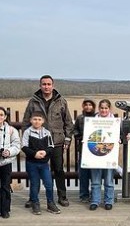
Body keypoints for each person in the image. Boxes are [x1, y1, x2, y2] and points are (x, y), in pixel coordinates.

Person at [23, 75, 74, 207]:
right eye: (44, 84)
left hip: (56, 141)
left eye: (49, 84)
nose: (46, 86)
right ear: (40, 85)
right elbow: (25, 123)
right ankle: (33, 198)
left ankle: (62, 196)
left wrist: (67, 140)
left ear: (53, 85)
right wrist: (28, 140)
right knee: (35, 171)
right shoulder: (33, 102)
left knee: (58, 170)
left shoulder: (61, 101)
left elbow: (68, 122)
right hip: (38, 144)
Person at [22, 111, 61, 214]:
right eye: (34, 119)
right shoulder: (27, 132)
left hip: (44, 164)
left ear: (43, 121)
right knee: (34, 184)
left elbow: (51, 146)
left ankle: (50, 203)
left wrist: (45, 152)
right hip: (32, 163)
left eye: (39, 119)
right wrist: (34, 154)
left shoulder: (47, 133)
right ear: (31, 120)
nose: (37, 121)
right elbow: (24, 147)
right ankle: (35, 203)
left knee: (49, 184)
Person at [89, 99, 116, 211]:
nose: (103, 110)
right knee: (95, 180)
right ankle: (95, 201)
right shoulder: (92, 122)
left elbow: (118, 135)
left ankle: (109, 201)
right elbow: (90, 136)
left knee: (109, 180)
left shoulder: (115, 122)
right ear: (98, 109)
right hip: (96, 153)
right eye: (102, 108)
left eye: (106, 108)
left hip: (109, 153)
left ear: (109, 109)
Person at [73, 99, 96, 203]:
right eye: (86, 105)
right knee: (83, 174)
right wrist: (80, 136)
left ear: (93, 106)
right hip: (83, 149)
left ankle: (94, 194)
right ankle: (84, 195)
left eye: (90, 105)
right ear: (83, 106)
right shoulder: (80, 118)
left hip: (95, 149)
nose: (88, 107)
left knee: (95, 174)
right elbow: (75, 130)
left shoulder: (97, 118)